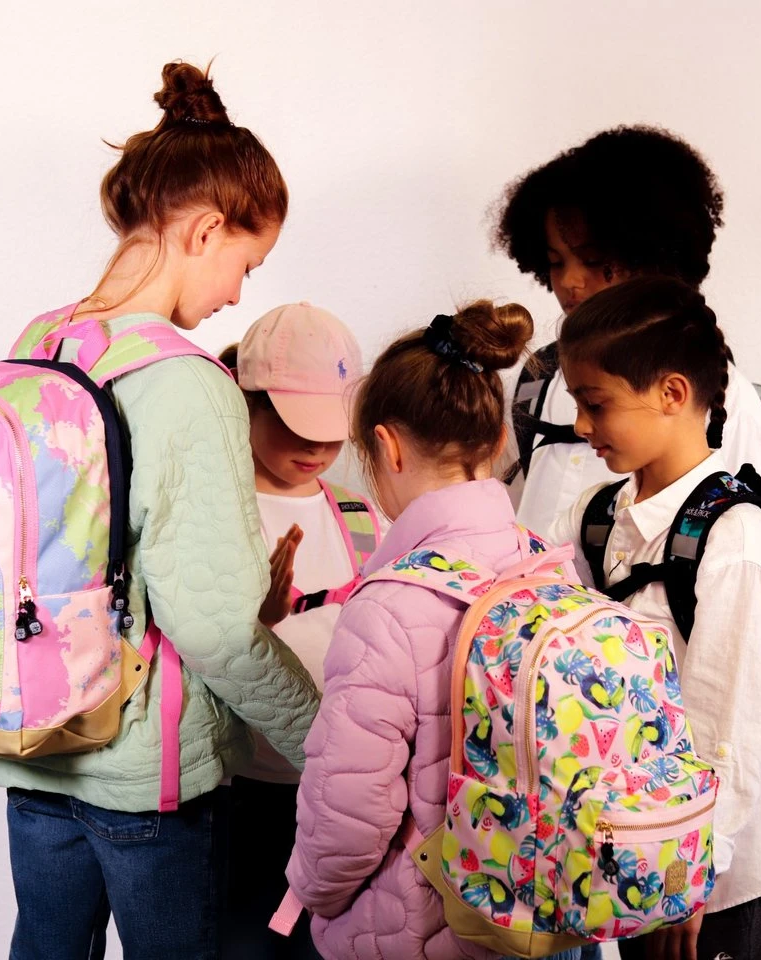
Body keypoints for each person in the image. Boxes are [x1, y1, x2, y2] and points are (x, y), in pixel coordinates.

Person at [0, 61, 320, 960]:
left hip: (34, 740)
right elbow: (212, 628)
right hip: (143, 776)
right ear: (207, 230)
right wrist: (328, 743)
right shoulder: (188, 383)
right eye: (246, 263)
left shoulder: (42, 340)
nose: (238, 293)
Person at [548, 277, 761, 960]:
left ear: (672, 393)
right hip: (633, 844)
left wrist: (685, 877)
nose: (580, 426)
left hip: (719, 878)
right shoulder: (597, 517)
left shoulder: (738, 545)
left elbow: (728, 731)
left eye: (596, 403)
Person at [286, 300, 548, 960]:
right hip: (544, 911)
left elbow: (347, 823)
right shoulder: (547, 563)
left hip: (425, 930)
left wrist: (312, 897)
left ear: (389, 446)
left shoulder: (389, 605)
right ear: (496, 442)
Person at [494, 126, 761, 536]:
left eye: (594, 261)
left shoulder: (724, 399)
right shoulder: (535, 382)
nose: (571, 281)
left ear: (652, 257)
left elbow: (759, 532)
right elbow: (503, 510)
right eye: (556, 262)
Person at [219, 302, 381, 959]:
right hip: (242, 798)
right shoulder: (216, 515)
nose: (316, 448)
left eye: (332, 431)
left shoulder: (360, 513)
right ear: (245, 404)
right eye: (295, 426)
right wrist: (255, 620)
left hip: (340, 800)